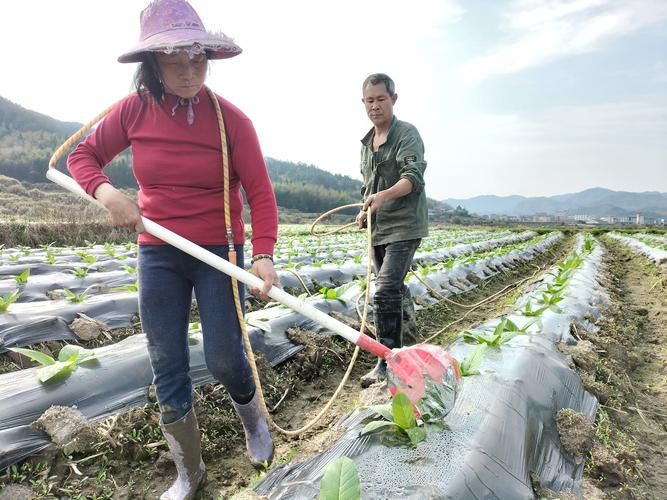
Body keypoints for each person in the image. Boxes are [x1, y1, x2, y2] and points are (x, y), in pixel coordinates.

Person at [67, 1, 278, 498]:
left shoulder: (232, 121)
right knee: (166, 359)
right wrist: (106, 192)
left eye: (197, 59)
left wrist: (264, 254)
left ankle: (254, 423)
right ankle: (189, 469)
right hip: (158, 250)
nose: (188, 71)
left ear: (209, 57)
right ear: (153, 64)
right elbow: (82, 155)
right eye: (174, 60)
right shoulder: (134, 110)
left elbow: (261, 194)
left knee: (226, 356)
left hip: (218, 251)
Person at [356, 73, 428, 388]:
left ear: (393, 99)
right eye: (369, 100)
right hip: (379, 229)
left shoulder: (406, 135)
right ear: (363, 103)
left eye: (380, 99)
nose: (375, 106)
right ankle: (410, 342)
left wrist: (383, 197)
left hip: (405, 225)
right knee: (394, 290)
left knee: (385, 291)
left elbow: (412, 178)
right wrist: (365, 209)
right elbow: (368, 187)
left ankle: (388, 362)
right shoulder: (365, 144)